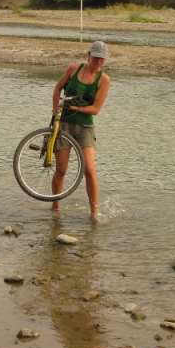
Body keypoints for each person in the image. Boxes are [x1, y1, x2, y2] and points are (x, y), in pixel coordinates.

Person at [51, 41, 111, 218]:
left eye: (102, 58)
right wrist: (56, 110)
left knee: (89, 170)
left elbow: (95, 109)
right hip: (64, 124)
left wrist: (74, 108)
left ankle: (94, 213)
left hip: (85, 127)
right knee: (61, 169)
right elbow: (58, 88)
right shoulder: (73, 69)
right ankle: (55, 208)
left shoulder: (104, 80)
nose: (98, 61)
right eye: (96, 57)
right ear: (88, 55)